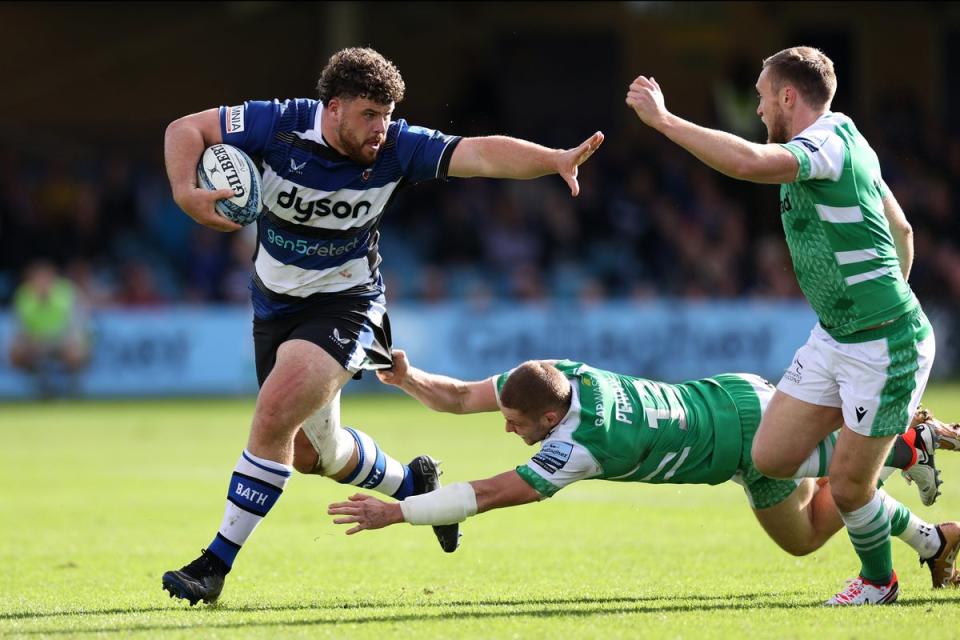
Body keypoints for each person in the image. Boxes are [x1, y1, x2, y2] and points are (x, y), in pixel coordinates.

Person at [160, 47, 604, 606]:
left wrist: (554, 159)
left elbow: (481, 154)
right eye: (370, 114)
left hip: (347, 305)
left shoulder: (397, 147)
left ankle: (212, 565)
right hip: (274, 305)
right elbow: (186, 128)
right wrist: (183, 189)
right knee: (309, 456)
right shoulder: (277, 123)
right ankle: (412, 484)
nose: (381, 128)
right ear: (335, 106)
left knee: (272, 415)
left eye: (388, 114)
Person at [624, 46, 934, 604]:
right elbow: (903, 230)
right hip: (836, 336)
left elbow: (747, 164)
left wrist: (665, 121)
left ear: (789, 96)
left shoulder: (824, 146)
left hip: (884, 344)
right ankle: (907, 444)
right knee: (770, 457)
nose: (760, 111)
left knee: (847, 486)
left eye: (764, 99)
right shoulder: (851, 139)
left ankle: (879, 581)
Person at [328, 352, 960, 593]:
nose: (507, 427)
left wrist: (396, 511)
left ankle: (910, 443)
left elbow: (489, 494)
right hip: (731, 401)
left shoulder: (583, 446)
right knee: (806, 536)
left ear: (549, 417)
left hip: (744, 435)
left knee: (851, 476)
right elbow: (466, 396)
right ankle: (936, 541)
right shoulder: (559, 374)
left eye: (517, 423)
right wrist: (410, 380)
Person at [8, 260, 91, 397]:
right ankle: (41, 384)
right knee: (16, 354)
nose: (42, 283)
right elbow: (18, 330)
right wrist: (32, 342)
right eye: (37, 279)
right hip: (36, 342)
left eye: (45, 279)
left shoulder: (67, 293)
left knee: (76, 352)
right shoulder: (23, 295)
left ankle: (73, 388)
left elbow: (78, 327)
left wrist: (61, 341)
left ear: (53, 279)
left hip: (62, 341)